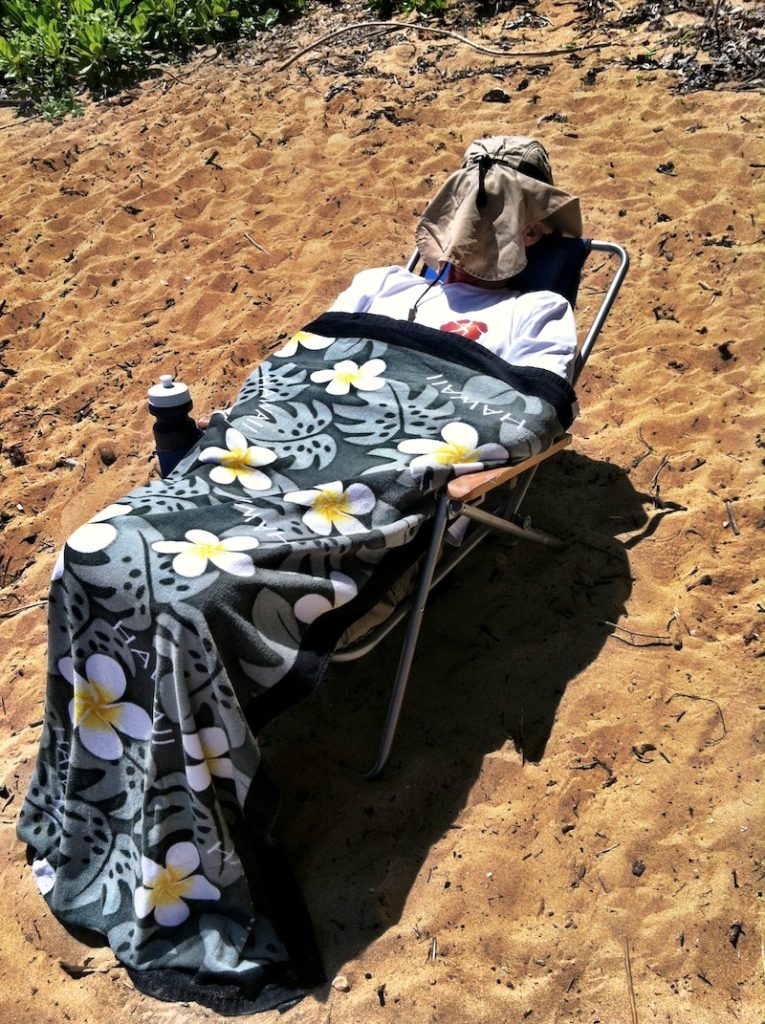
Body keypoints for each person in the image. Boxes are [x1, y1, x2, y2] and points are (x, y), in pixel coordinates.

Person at [329, 135, 583, 381]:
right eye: (465, 203)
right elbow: (302, 364)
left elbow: (533, 409)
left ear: (531, 232)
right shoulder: (378, 284)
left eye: (493, 210)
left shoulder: (540, 312)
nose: (470, 221)